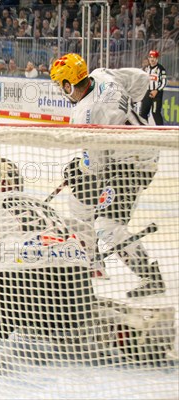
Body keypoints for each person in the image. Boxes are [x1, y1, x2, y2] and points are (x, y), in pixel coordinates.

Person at [0, 158, 176, 371]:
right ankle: (135, 327)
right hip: (73, 286)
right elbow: (87, 247)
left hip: (15, 286)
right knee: (83, 319)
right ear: (19, 183)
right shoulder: (45, 207)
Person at [50, 53, 165, 298]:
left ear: (68, 85)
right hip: (137, 148)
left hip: (132, 164)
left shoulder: (85, 115)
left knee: (108, 225)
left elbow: (97, 166)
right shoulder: (102, 74)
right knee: (80, 198)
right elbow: (141, 79)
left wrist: (78, 168)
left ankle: (152, 277)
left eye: (62, 86)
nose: (62, 91)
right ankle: (93, 260)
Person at [139, 50, 167, 125]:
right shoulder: (146, 68)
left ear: (157, 59)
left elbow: (164, 82)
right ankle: (144, 130)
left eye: (154, 57)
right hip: (147, 92)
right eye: (150, 57)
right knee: (143, 113)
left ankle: (161, 130)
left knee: (155, 113)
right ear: (148, 58)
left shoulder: (161, 69)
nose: (152, 59)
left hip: (157, 94)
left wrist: (156, 90)